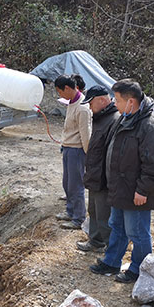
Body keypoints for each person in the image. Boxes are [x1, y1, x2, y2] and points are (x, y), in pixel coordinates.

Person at [92, 79, 154, 282]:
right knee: (117, 225)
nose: (114, 104)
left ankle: (139, 269)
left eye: (117, 99)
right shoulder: (124, 119)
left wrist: (143, 190)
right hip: (120, 187)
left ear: (131, 101)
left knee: (137, 232)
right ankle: (112, 261)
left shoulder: (150, 126)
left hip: (136, 191)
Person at [77, 86, 120, 253]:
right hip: (95, 174)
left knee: (105, 216)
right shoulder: (100, 118)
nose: (89, 107)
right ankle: (95, 241)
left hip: (104, 177)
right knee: (93, 210)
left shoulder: (114, 120)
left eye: (91, 103)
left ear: (102, 100)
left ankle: (111, 251)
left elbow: (112, 153)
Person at [54, 75, 92, 229]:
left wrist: (88, 155)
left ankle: (78, 218)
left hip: (77, 151)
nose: (59, 95)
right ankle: (70, 211)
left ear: (68, 89)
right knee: (67, 183)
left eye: (59, 92)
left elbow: (86, 134)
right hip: (69, 148)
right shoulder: (72, 102)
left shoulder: (82, 108)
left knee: (76, 186)